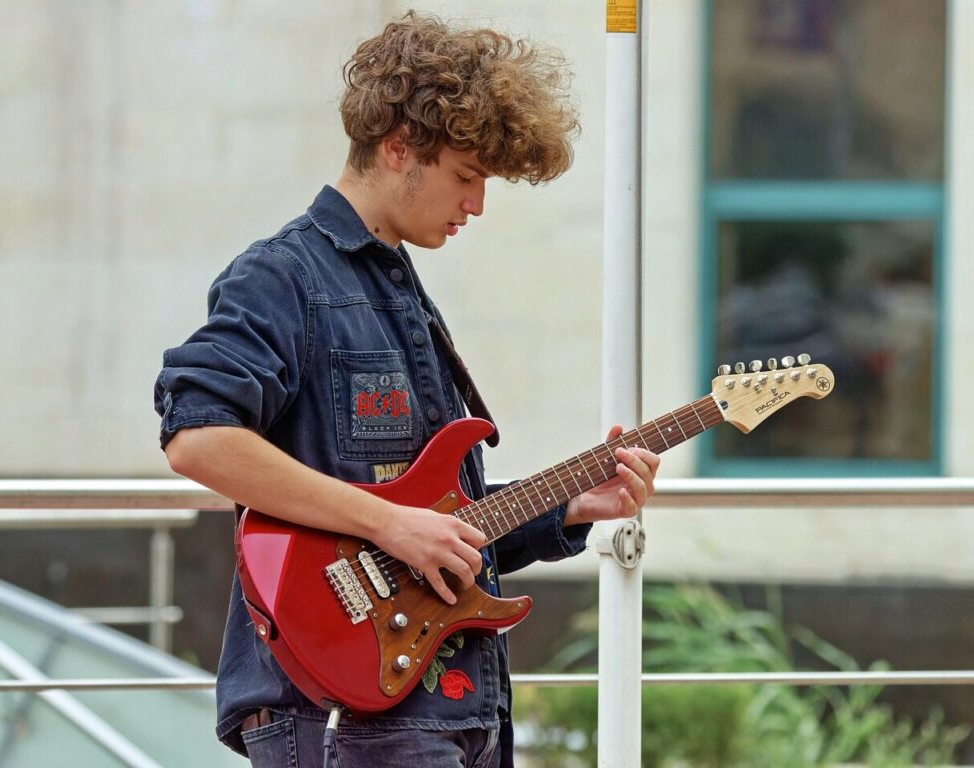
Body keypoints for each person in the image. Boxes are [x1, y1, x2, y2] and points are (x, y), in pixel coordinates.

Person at [154, 11, 660, 768]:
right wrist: (389, 526)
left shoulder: (399, 291)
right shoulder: (282, 276)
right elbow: (197, 439)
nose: (478, 204)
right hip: (343, 717)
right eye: (466, 176)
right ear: (400, 148)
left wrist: (573, 505)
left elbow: (435, 530)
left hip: (445, 706)